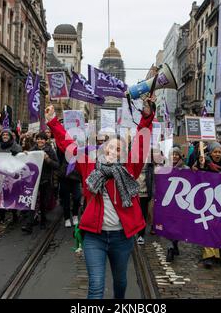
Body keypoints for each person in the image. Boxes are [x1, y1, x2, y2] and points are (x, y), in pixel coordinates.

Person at [45, 97, 154, 299]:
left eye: (119, 148)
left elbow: (142, 142)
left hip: (122, 238)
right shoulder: (89, 165)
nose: (113, 151)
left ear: (124, 154)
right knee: (95, 285)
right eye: (109, 147)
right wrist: (53, 121)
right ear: (102, 150)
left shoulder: (130, 167)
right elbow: (68, 146)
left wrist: (147, 117)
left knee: (120, 283)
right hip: (94, 237)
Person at [192, 142, 221, 267]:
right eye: (215, 152)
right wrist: (198, 166)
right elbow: (197, 174)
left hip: (220, 200)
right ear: (211, 153)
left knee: (217, 226)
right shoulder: (204, 163)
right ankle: (208, 255)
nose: (217, 154)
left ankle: (216, 254)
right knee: (208, 225)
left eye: (219, 152)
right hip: (206, 199)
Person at [22, 132, 59, 233]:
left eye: (42, 139)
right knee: (32, 201)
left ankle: (43, 220)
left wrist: (47, 159)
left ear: (46, 140)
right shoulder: (33, 150)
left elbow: (56, 165)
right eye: (38, 139)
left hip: (45, 180)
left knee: (43, 202)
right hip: (34, 180)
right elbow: (26, 161)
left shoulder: (50, 151)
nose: (40, 141)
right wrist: (25, 154)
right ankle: (29, 224)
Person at [166, 146, 189, 262]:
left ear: (180, 156)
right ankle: (170, 246)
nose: (174, 156)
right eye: (172, 154)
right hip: (168, 201)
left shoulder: (186, 168)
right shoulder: (165, 168)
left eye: (176, 154)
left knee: (178, 225)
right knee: (168, 224)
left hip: (180, 202)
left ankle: (174, 244)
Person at [0, 129, 22, 224]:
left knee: (11, 195)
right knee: (0, 196)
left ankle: (15, 215)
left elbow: (21, 159)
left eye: (7, 135)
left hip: (11, 175)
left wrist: (17, 154)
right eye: (3, 135)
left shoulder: (17, 147)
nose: (5, 136)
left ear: (10, 136)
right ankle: (1, 216)